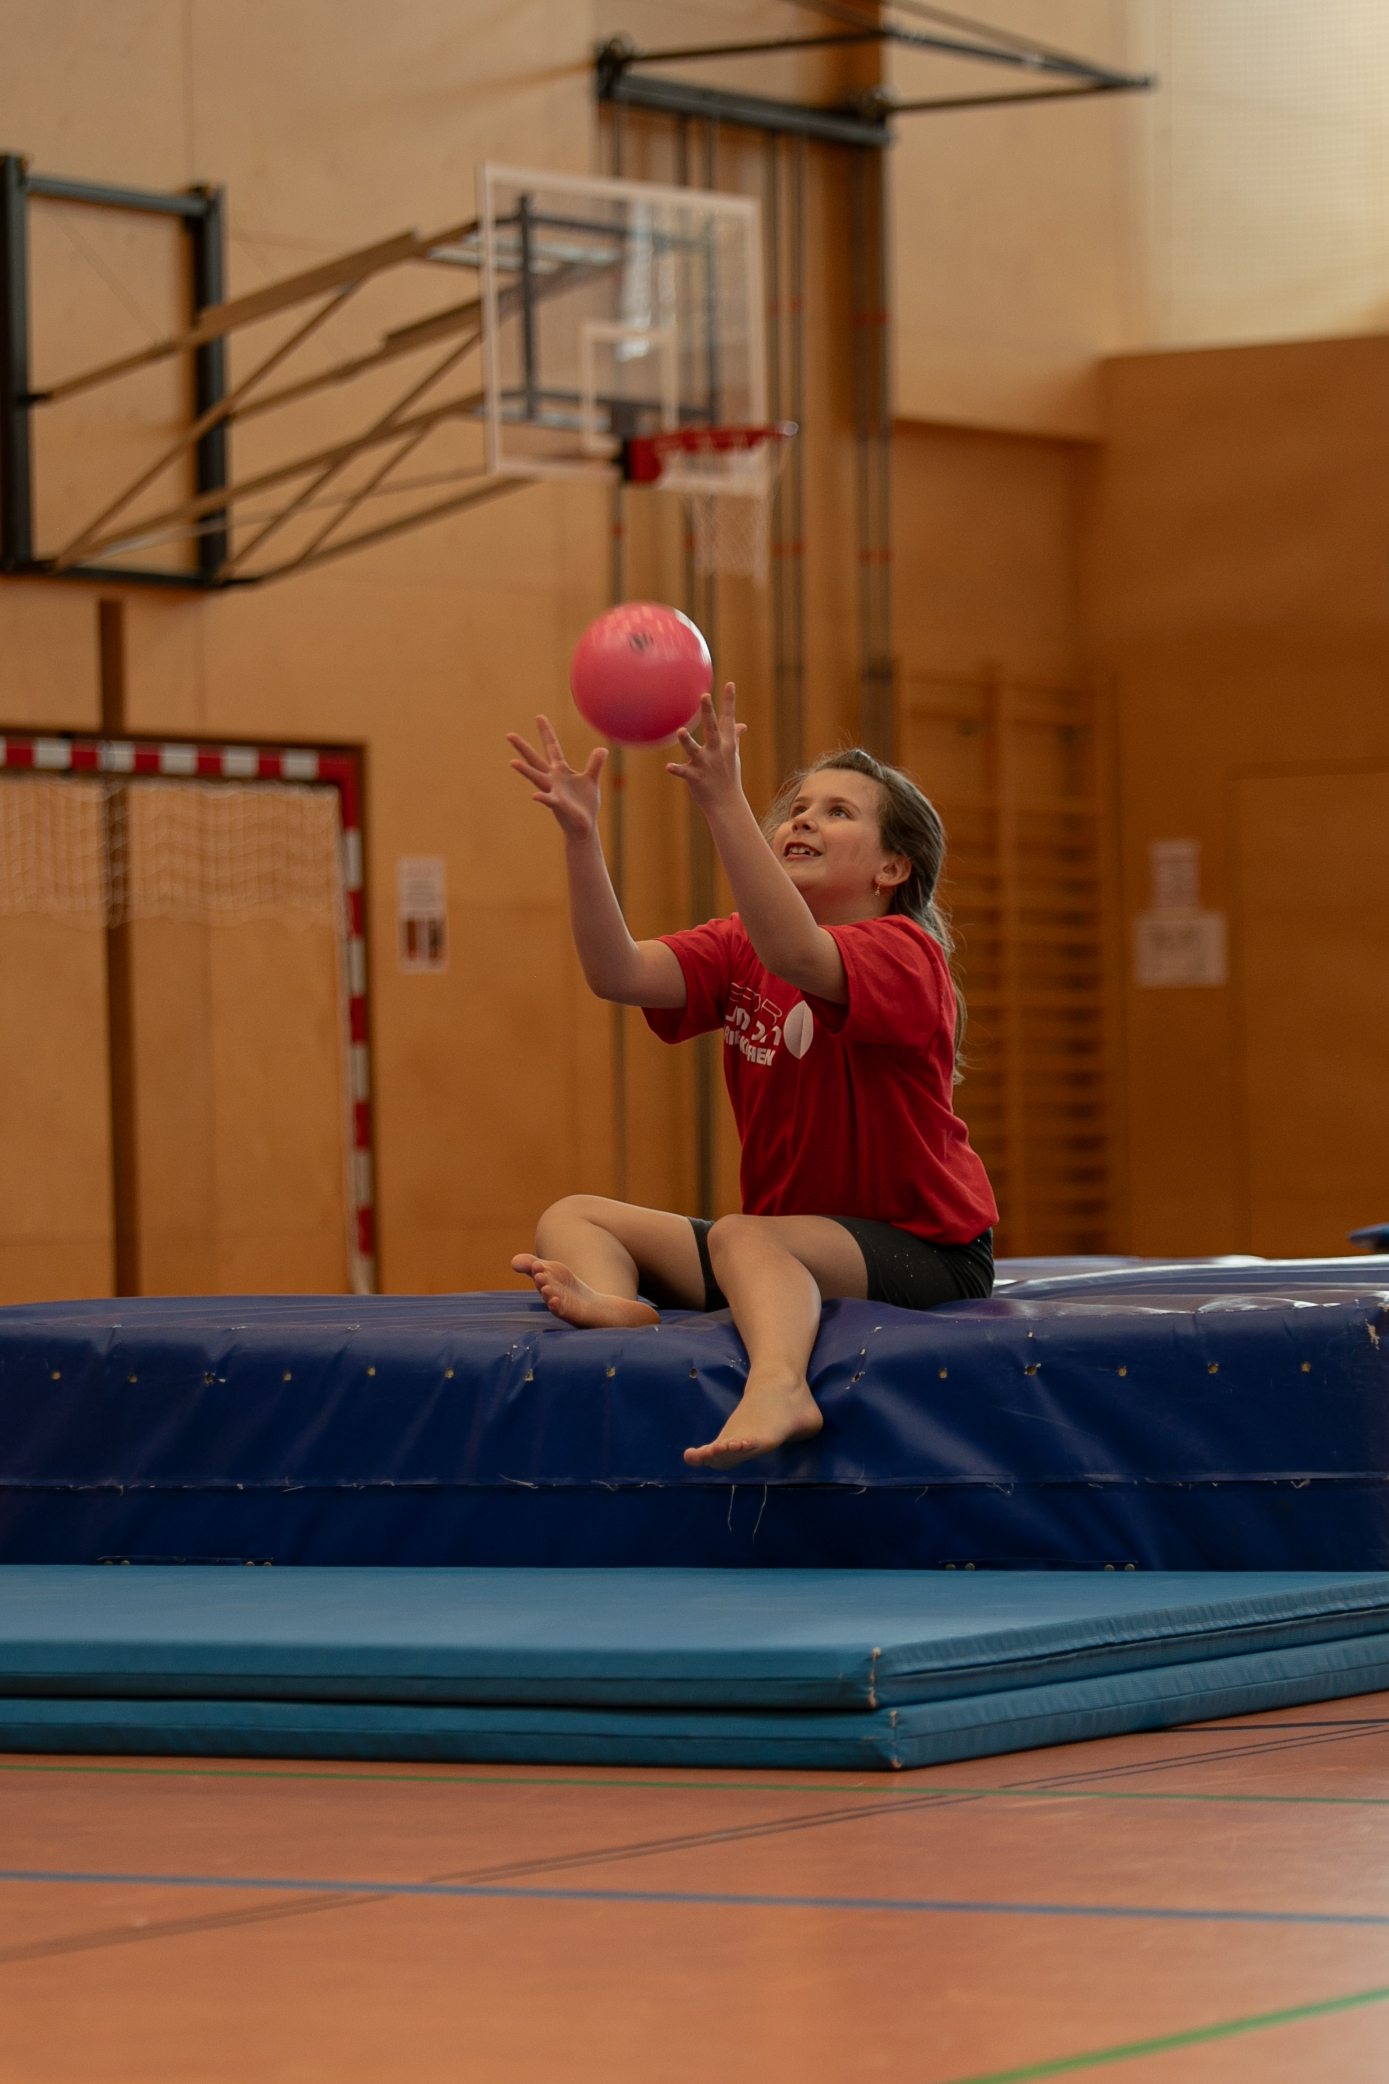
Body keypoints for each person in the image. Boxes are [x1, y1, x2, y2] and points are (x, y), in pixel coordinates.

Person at [505, 684, 997, 1471]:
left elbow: (797, 953)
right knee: (576, 1216)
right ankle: (619, 1305)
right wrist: (581, 838)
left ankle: (780, 1385)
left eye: (837, 812)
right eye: (796, 808)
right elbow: (618, 972)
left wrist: (721, 800)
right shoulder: (742, 946)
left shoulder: (906, 955)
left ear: (892, 867)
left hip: (925, 1248)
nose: (802, 820)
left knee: (743, 1235)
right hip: (782, 1246)